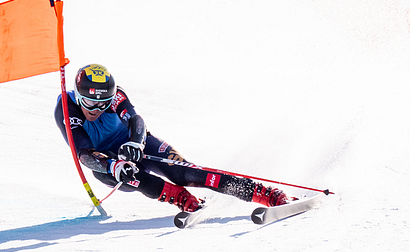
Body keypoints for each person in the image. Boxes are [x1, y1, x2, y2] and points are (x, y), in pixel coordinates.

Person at [54, 63, 293, 212]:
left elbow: (135, 120)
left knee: (185, 172)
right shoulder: (66, 109)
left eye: (103, 103)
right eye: (89, 102)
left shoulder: (116, 96)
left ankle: (263, 192)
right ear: (78, 95)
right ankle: (179, 197)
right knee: (132, 176)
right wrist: (112, 165)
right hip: (104, 162)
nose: (95, 109)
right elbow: (83, 153)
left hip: (134, 145)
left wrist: (136, 142)